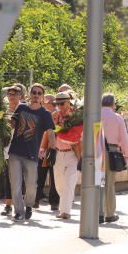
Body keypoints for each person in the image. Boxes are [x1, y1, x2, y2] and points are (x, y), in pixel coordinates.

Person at [6, 83, 54, 222]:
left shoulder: (45, 114)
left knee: (32, 185)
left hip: (32, 154)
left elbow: (51, 133)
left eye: (39, 93)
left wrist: (53, 150)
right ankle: (19, 211)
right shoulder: (21, 107)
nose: (36, 95)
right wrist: (0, 120)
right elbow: (12, 124)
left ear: (42, 97)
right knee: (15, 184)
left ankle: (28, 205)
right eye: (34, 92)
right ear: (30, 94)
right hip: (15, 151)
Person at [99, 93, 128, 223]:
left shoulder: (94, 115)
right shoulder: (117, 118)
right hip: (111, 152)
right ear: (113, 104)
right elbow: (124, 138)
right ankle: (109, 213)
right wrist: (127, 154)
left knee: (96, 182)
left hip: (95, 152)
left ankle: (98, 213)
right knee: (109, 184)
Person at [52, 92, 80, 220]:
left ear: (69, 102)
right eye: (57, 104)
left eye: (62, 103)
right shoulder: (55, 116)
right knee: (59, 184)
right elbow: (49, 133)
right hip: (58, 153)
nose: (59, 106)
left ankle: (65, 211)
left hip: (72, 154)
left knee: (69, 182)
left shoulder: (76, 116)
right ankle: (66, 201)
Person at [0, 85, 23, 217]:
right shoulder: (3, 110)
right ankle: (8, 205)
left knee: (20, 178)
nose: (11, 96)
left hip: (21, 147)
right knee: (8, 177)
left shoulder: (24, 109)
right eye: (9, 94)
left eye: (14, 93)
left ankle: (20, 205)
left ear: (20, 95)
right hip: (7, 147)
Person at [36, 93, 60, 211]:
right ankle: (36, 200)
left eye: (46, 102)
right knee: (40, 175)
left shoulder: (56, 115)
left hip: (52, 149)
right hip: (42, 149)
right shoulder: (44, 113)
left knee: (53, 177)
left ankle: (54, 202)